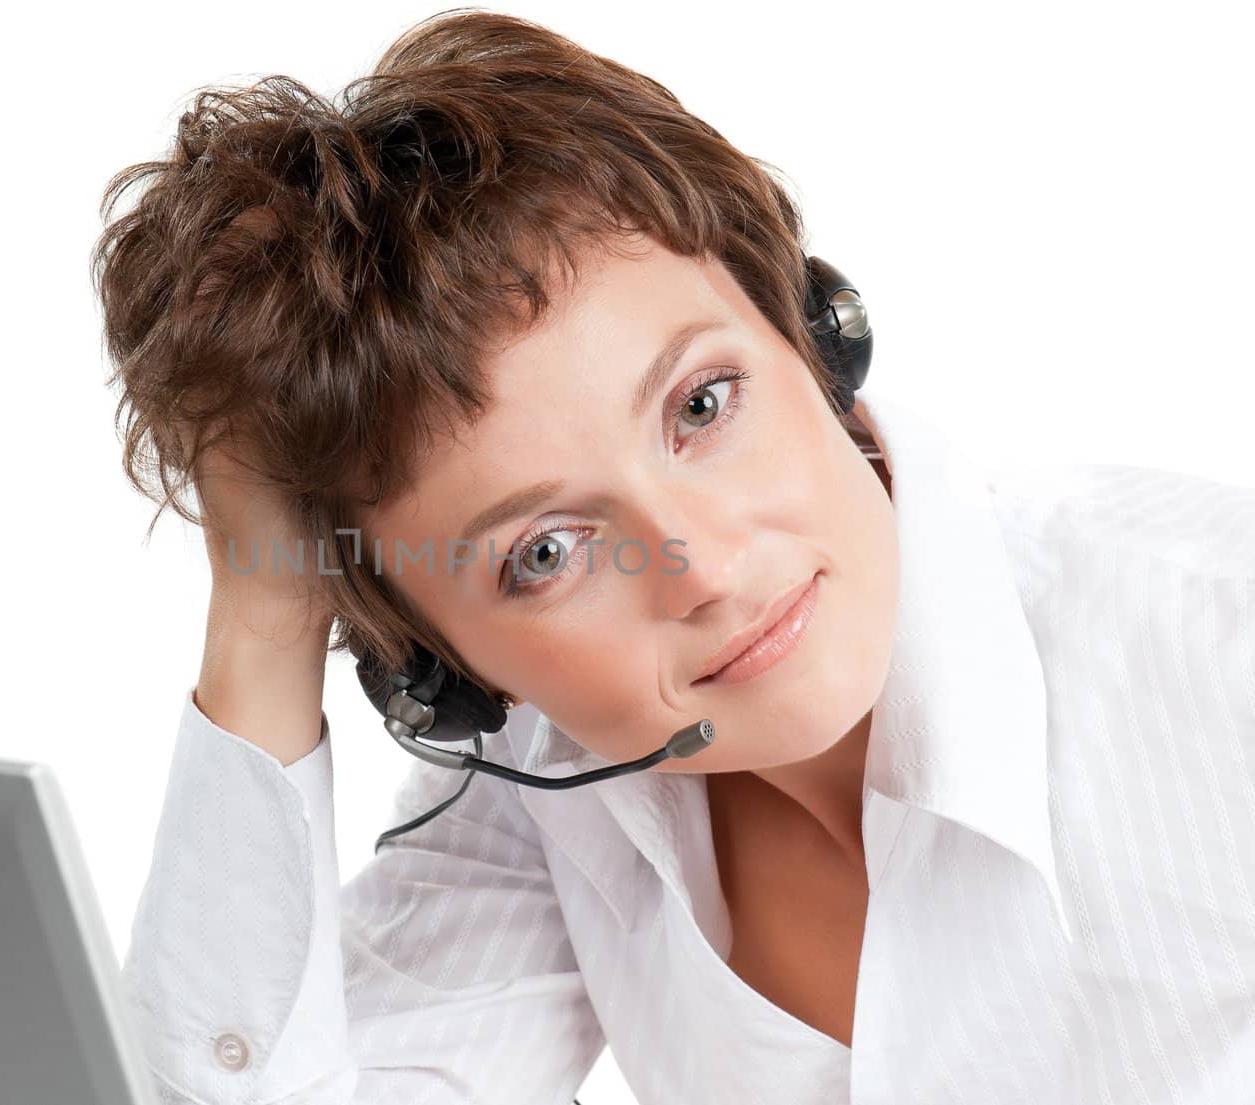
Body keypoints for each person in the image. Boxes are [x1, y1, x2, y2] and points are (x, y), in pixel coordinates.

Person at [89, 10, 1255, 1104]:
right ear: (440, 671)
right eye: (543, 551)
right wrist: (265, 616)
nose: (696, 566)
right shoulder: (540, 789)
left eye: (702, 403)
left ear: (808, 330)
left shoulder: (1214, 643)